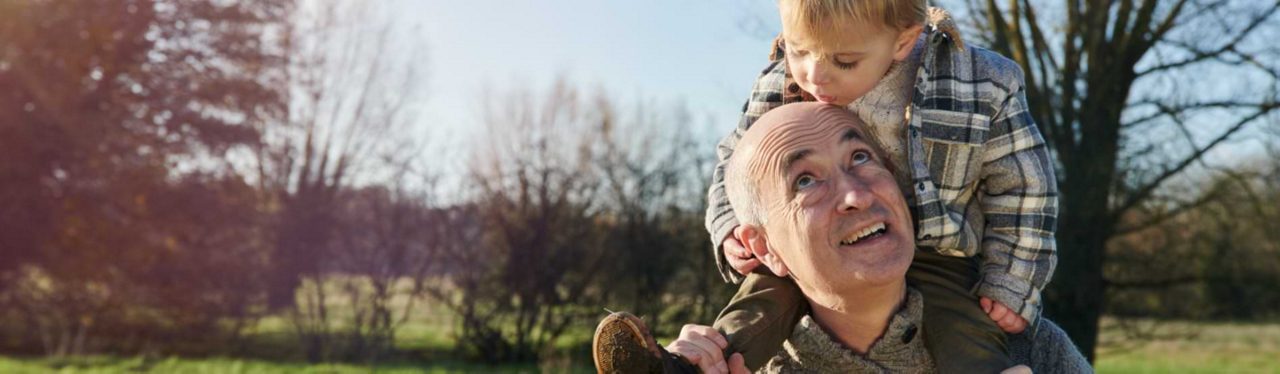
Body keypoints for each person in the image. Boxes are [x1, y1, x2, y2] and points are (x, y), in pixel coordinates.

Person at [699, 1, 1060, 372]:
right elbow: (735, 159)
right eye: (799, 50)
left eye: (844, 61)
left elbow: (1024, 188)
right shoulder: (780, 81)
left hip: (942, 250)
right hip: (815, 252)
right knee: (759, 303)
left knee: (963, 330)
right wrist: (728, 223)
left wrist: (1012, 279)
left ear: (904, 41)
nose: (814, 75)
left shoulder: (979, 84)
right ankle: (692, 366)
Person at [593, 103, 1086, 373]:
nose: (854, 195)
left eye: (861, 159)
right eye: (805, 180)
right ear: (763, 248)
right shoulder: (741, 368)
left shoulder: (1030, 355)